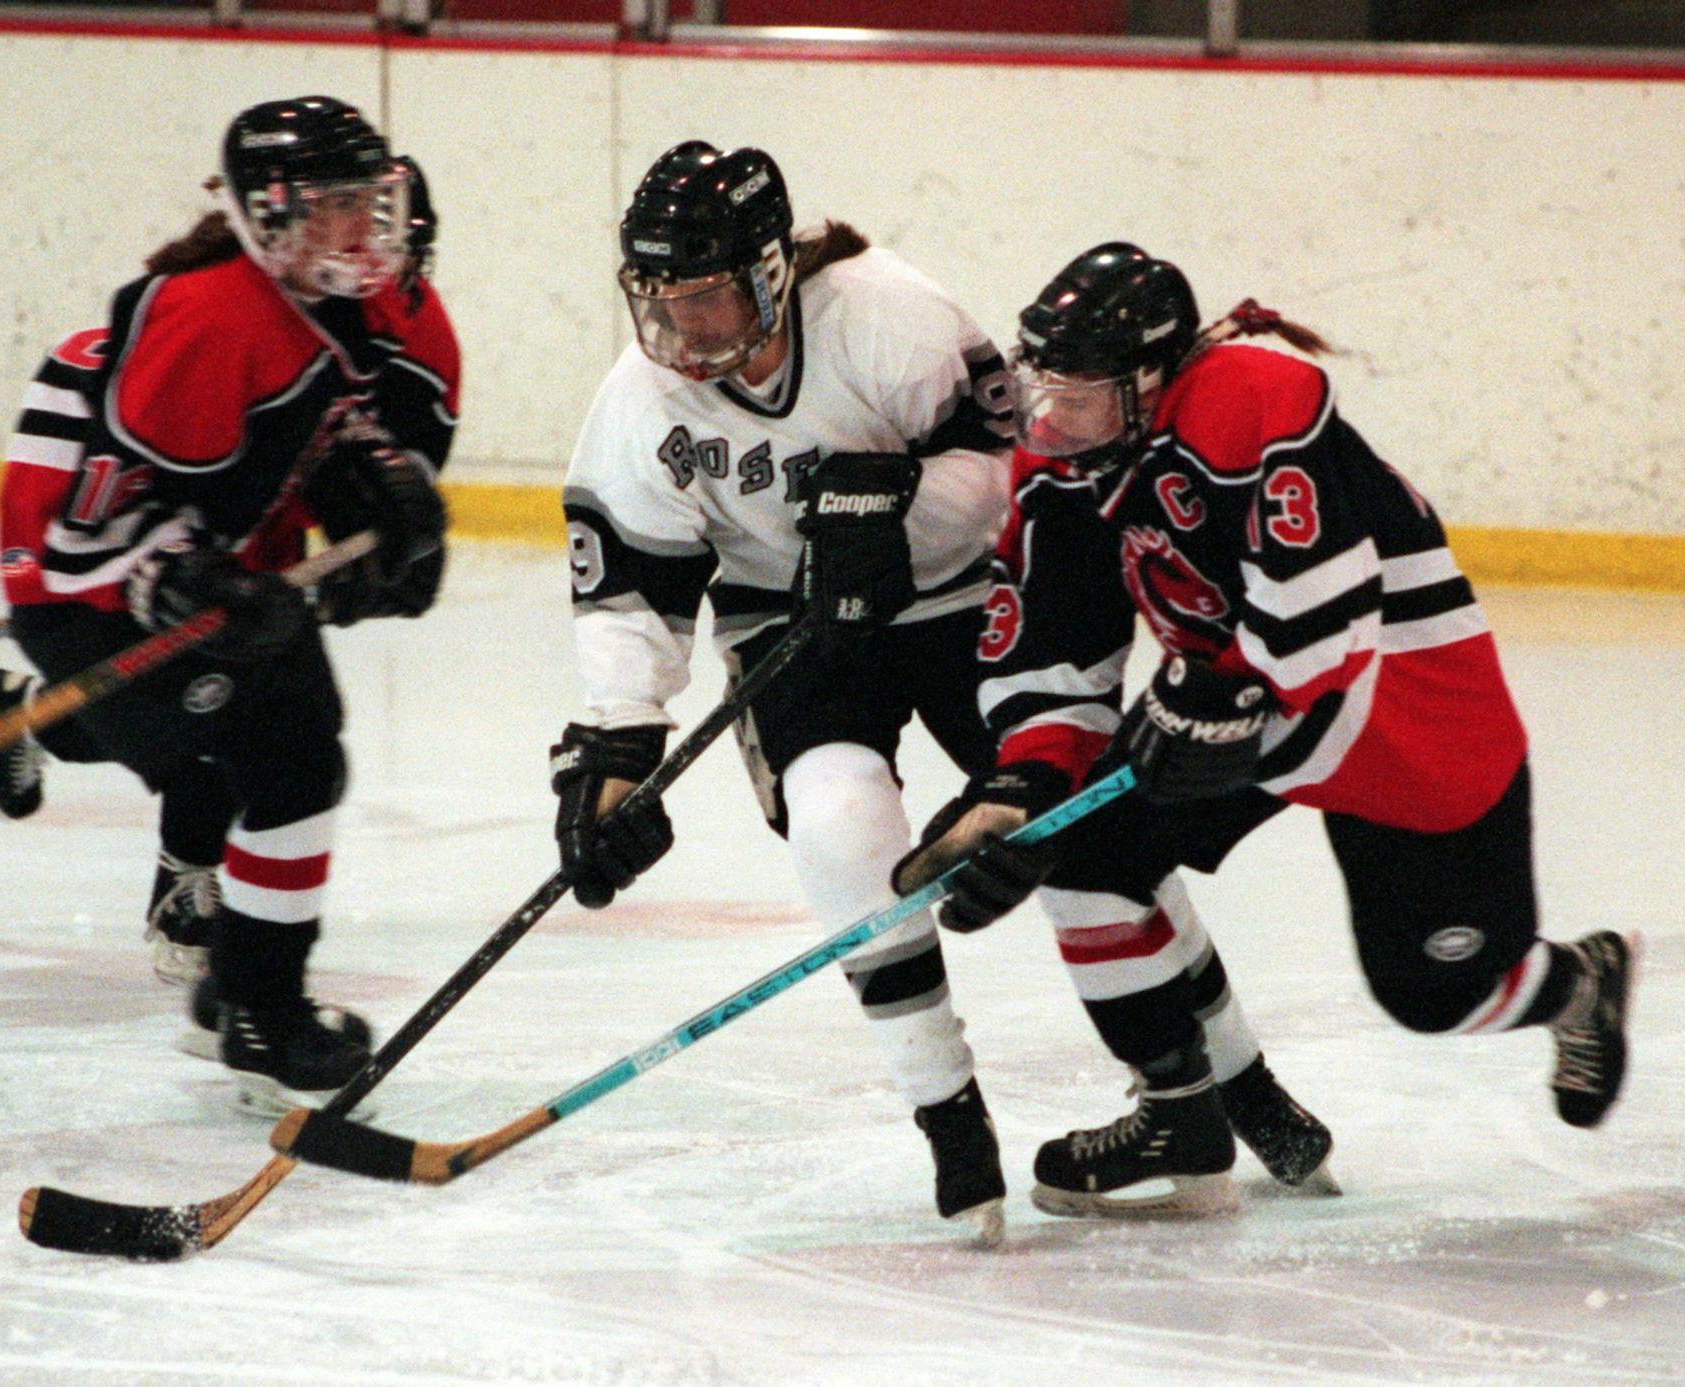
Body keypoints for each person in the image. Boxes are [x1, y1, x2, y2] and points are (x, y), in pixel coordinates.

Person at [549, 143, 1322, 1242]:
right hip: (796, 631)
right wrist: (619, 747)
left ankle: (1229, 1081)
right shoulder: (641, 403)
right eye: (662, 301)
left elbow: (1025, 460)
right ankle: (951, 1123)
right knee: (839, 827)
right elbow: (632, 586)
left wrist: (899, 506)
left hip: (970, 600)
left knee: (1078, 839)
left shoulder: (885, 312)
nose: (686, 330)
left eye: (708, 296)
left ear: (770, 271)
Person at [895, 243, 1635, 1219]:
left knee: (1433, 993)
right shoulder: (1067, 462)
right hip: (1248, 722)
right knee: (1074, 848)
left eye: (1076, 391)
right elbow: (1053, 642)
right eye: (1045, 386)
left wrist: (1223, 695)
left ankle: (1578, 983)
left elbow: (1326, 610)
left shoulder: (1252, 397)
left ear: (1149, 380)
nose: (1048, 414)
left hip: (1399, 726)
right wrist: (1022, 786)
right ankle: (1177, 1115)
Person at [0, 96, 460, 1114]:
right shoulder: (210, 318)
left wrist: (378, 532)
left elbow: (320, 452)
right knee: (266, 755)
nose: (363, 231)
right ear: (268, 218)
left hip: (203, 567)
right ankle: (257, 1013)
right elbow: (91, 523)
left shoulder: (353, 310)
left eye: (370, 202)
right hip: (86, 590)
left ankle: (240, 993)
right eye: (333, 209)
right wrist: (173, 577)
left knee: (298, 743)